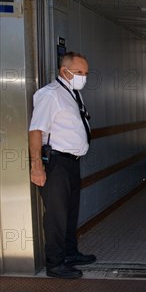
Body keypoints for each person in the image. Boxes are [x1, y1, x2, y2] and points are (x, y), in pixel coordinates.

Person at [29, 51, 96, 279]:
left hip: (71, 162)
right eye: (79, 72)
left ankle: (70, 252)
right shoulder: (51, 95)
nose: (83, 77)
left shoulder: (72, 93)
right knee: (56, 215)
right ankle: (55, 264)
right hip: (55, 162)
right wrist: (36, 165)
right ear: (64, 71)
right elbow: (36, 130)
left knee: (69, 211)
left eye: (86, 73)